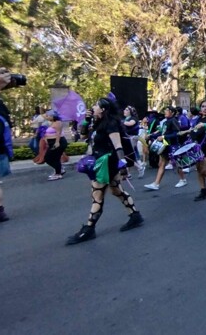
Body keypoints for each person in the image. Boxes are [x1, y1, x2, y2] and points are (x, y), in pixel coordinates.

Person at [67, 98, 143, 244]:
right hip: (101, 161)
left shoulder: (111, 124)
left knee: (97, 196)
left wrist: (123, 166)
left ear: (103, 109)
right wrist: (86, 120)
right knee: (116, 190)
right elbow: (82, 136)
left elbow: (118, 146)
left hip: (106, 164)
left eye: (96, 105)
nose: (93, 107)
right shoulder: (97, 122)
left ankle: (89, 229)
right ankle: (135, 216)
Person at [143, 106, 187, 190]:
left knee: (176, 164)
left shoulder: (173, 121)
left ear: (172, 112)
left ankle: (183, 179)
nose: (165, 112)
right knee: (162, 164)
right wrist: (151, 135)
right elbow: (162, 132)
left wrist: (163, 137)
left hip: (173, 146)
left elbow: (176, 133)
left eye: (167, 110)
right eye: (165, 110)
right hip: (166, 145)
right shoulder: (166, 122)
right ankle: (156, 183)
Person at [44, 110, 68, 181]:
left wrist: (57, 142)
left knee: (49, 157)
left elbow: (58, 133)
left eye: (48, 116)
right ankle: (59, 170)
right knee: (52, 158)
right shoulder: (52, 123)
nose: (47, 117)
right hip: (52, 142)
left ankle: (58, 173)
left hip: (58, 142)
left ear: (52, 116)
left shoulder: (58, 123)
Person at [123, 106, 145, 178]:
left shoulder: (133, 119)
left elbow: (130, 124)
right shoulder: (126, 119)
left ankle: (139, 167)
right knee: (131, 154)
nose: (124, 111)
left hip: (132, 138)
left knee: (127, 155)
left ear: (130, 112)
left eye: (126, 110)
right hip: (127, 138)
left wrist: (121, 122)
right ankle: (128, 174)